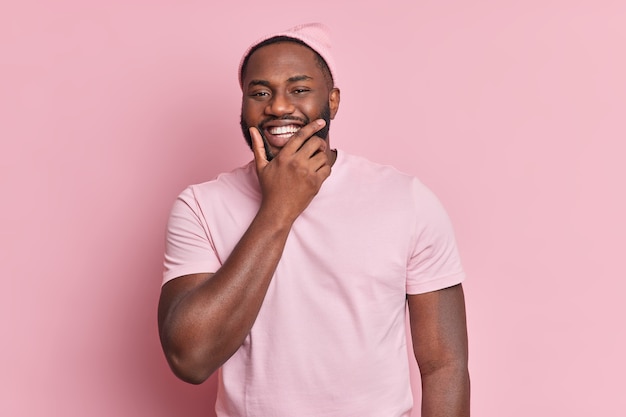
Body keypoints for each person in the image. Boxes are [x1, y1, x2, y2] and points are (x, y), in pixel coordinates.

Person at [158, 23, 470, 417]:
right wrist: (279, 208)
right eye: (260, 93)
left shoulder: (406, 200)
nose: (278, 106)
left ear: (333, 101)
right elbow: (190, 359)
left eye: (299, 89)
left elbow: (444, 365)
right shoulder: (200, 206)